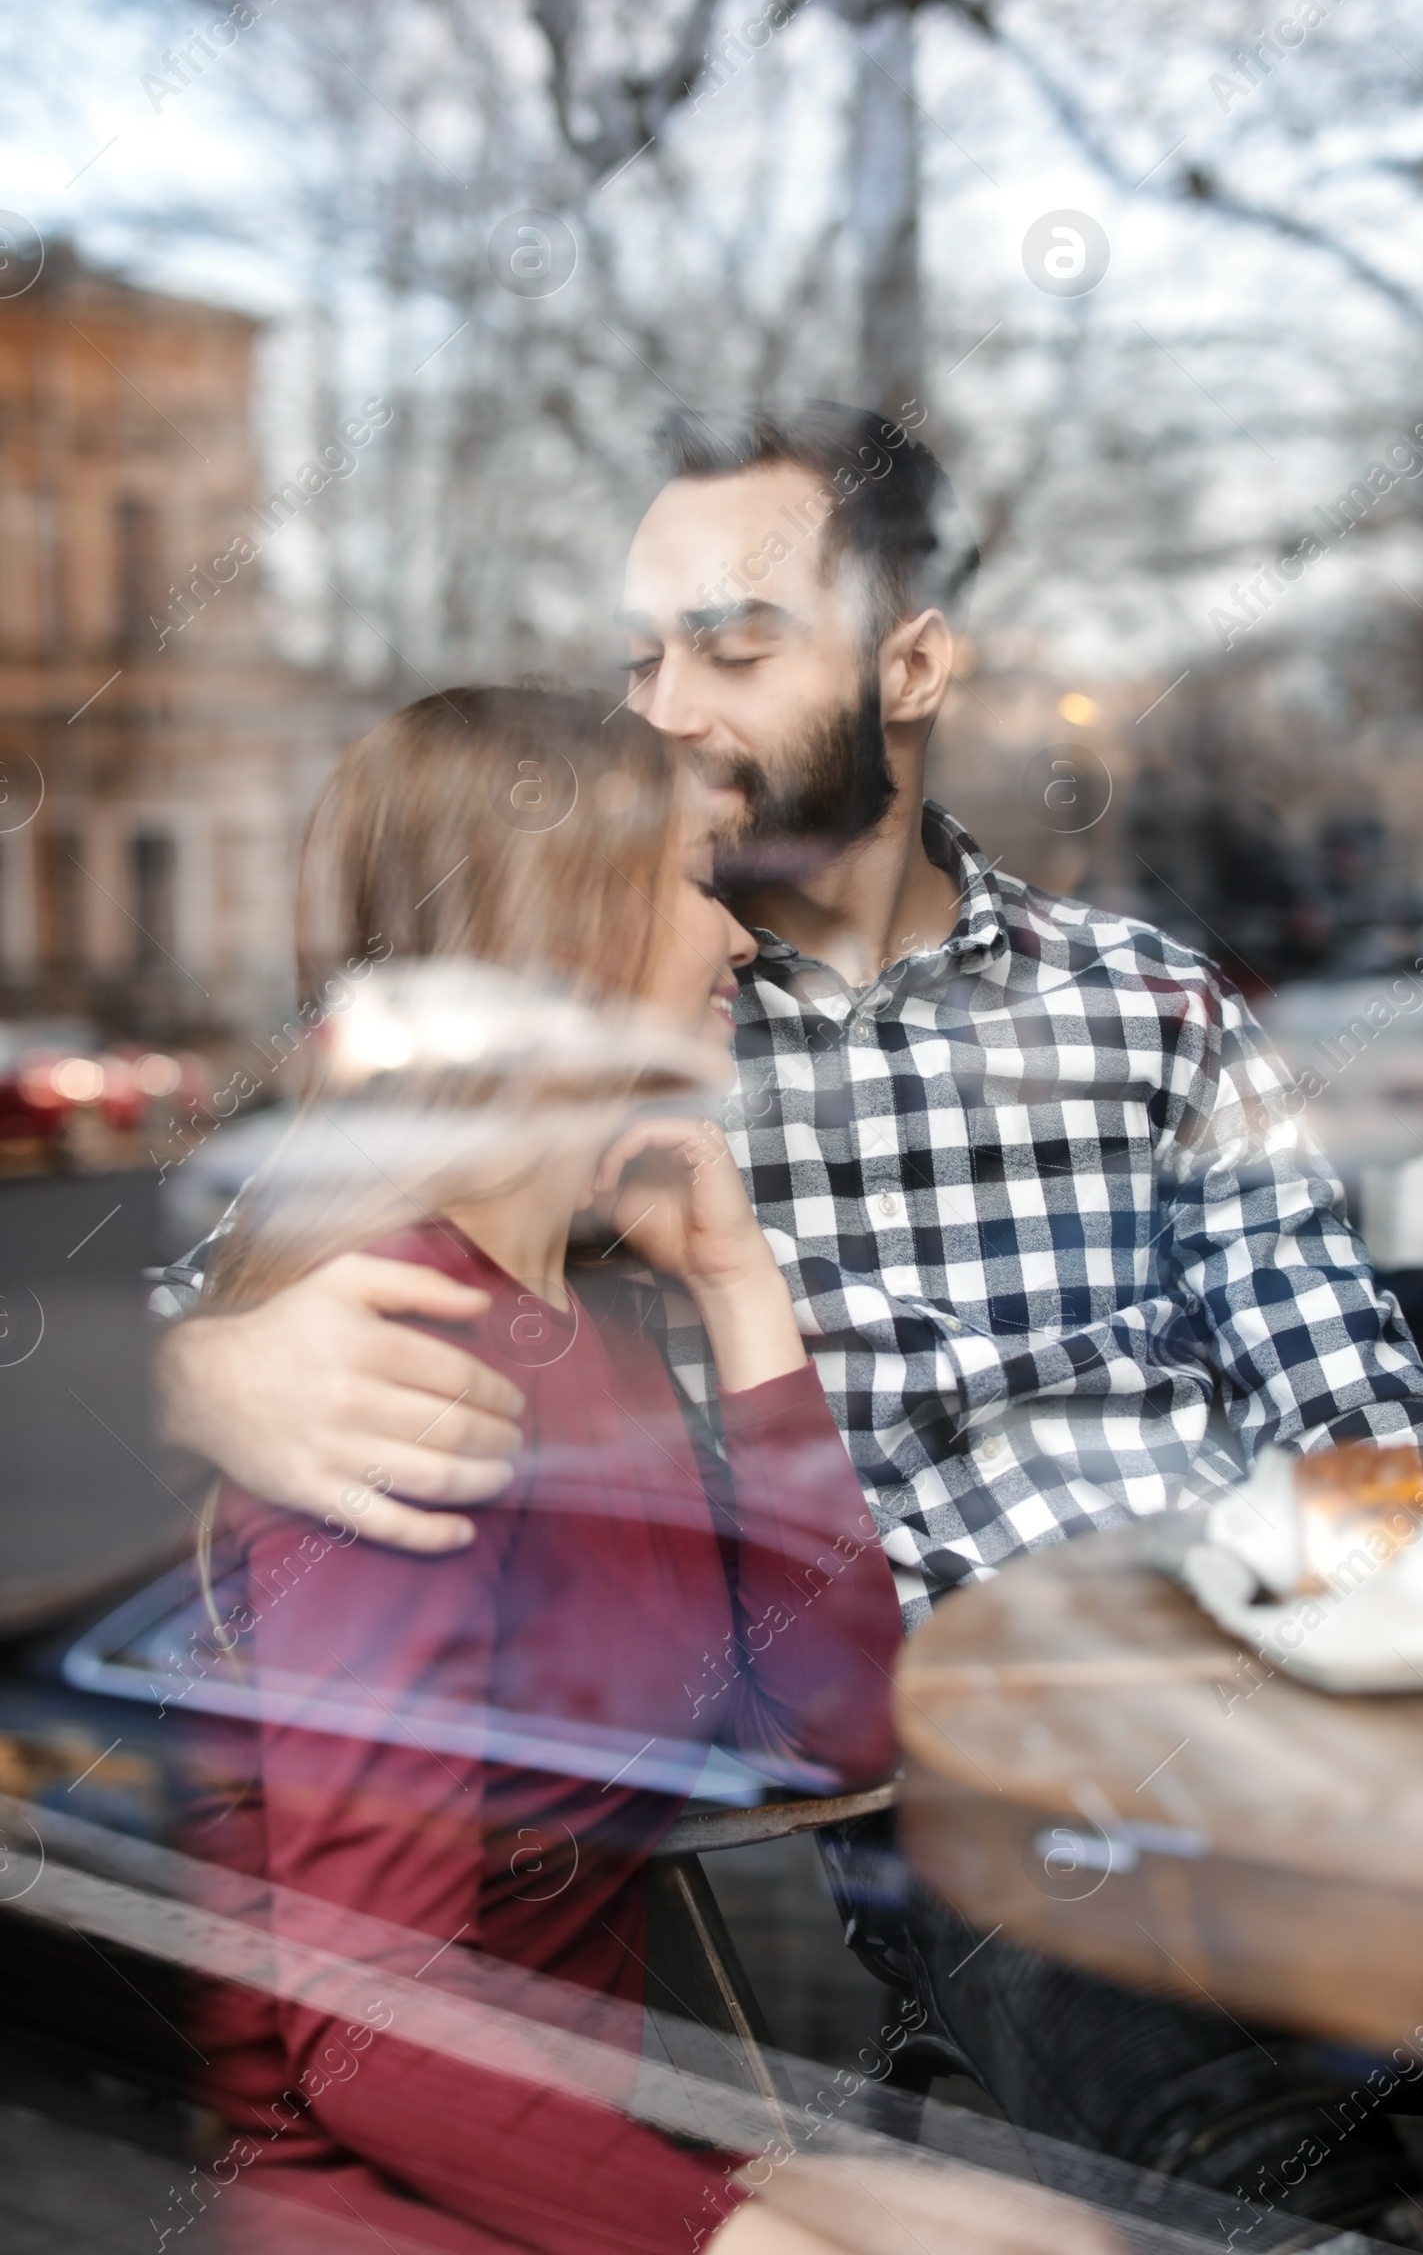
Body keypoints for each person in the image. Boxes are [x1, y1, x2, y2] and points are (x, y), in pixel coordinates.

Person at [156, 404, 1423, 2231]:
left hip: (1255, 1678)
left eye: (734, 644)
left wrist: (1365, 1620)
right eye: (643, 656)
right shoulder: (627, 1056)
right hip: (958, 1782)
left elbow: (1341, 1377)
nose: (672, 705)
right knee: (1213, 2089)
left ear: (912, 662)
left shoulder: (1146, 999)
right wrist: (219, 1360)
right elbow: (304, 1219)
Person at [180, 682, 903, 2255]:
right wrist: (748, 2239)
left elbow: (841, 1722)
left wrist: (739, 1290)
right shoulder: (404, 1369)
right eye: (699, 886)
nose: (737, 943)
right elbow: (372, 2048)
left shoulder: (588, 1329)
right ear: (561, 938)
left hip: (589, 2165)